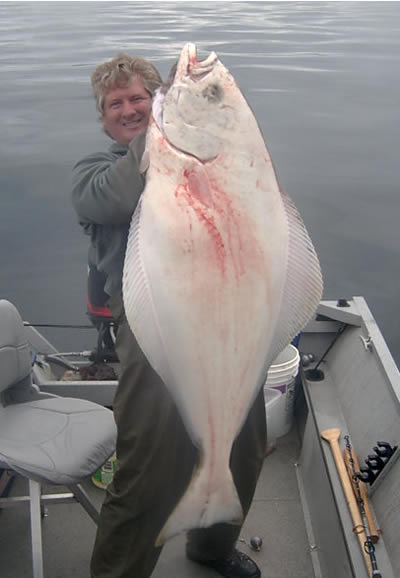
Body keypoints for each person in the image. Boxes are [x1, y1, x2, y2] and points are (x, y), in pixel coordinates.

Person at [71, 52, 267, 578]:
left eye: (140, 97)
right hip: (153, 327)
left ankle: (212, 548)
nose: (129, 108)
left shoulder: (217, 153)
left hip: (231, 316)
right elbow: (106, 199)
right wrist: (164, 128)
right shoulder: (94, 173)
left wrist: (198, 115)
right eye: (116, 103)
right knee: (148, 469)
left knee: (243, 450)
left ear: (155, 100)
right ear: (103, 116)